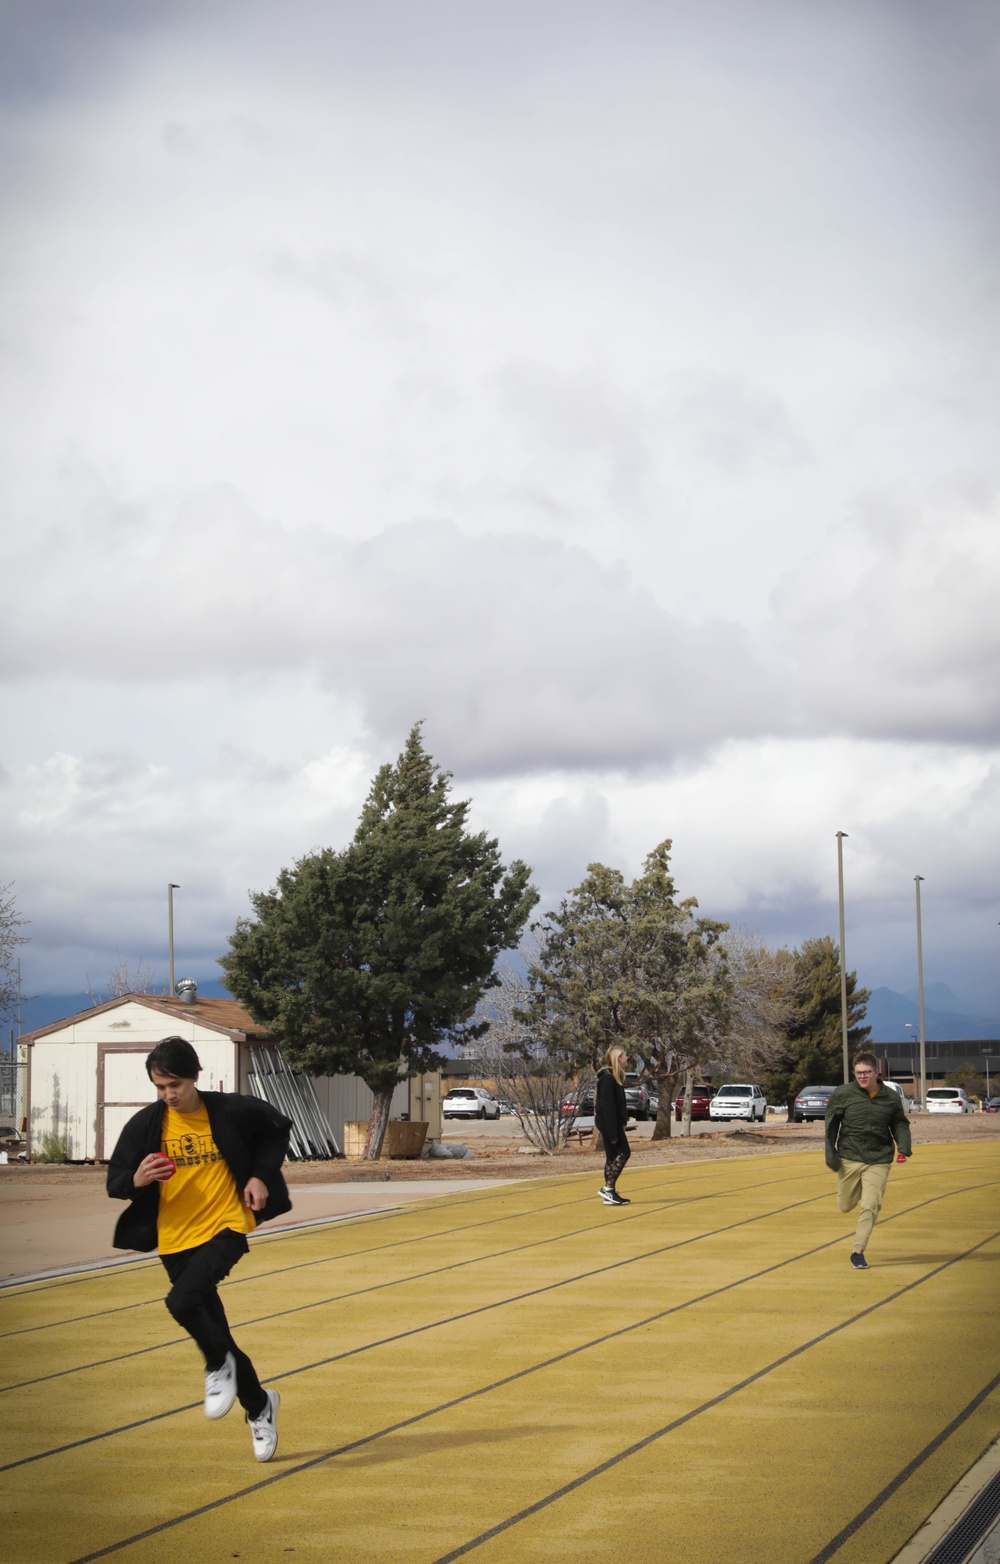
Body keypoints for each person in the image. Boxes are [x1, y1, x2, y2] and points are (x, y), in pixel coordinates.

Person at [107, 1035, 293, 1460]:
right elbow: (115, 1182)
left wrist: (261, 1174)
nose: (169, 1095)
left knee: (181, 1301)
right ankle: (260, 1405)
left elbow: (278, 1128)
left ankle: (215, 1367)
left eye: (175, 1084)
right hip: (174, 1240)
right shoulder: (146, 1125)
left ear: (195, 1077)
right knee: (218, 1332)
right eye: (160, 1086)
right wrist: (136, 1180)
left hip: (225, 1226)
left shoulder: (230, 1109)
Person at [825, 1049, 911, 1270]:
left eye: (867, 1072)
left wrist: (904, 1147)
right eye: (858, 1073)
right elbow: (831, 1125)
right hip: (850, 1157)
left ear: (877, 1073)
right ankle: (861, 1188)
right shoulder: (843, 1094)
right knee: (844, 1206)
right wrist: (830, 1153)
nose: (862, 1076)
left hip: (879, 1158)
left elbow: (899, 1124)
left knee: (870, 1205)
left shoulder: (890, 1098)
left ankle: (858, 1251)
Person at [595, 1045, 632, 1206]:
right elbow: (608, 1107)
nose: (627, 1058)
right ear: (618, 1059)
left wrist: (623, 1122)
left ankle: (609, 1194)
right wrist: (613, 1134)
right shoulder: (608, 1079)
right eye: (625, 1056)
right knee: (624, 1152)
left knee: (611, 1156)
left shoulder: (614, 1077)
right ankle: (608, 1188)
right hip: (608, 1123)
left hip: (614, 1122)